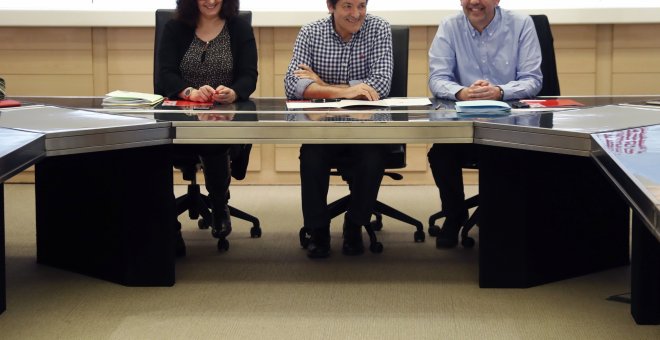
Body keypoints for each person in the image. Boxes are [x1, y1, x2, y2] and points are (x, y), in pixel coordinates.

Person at [427, 0, 542, 248]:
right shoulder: (449, 26)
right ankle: (455, 214)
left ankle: (502, 217)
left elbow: (532, 80)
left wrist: (499, 91)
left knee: (507, 155)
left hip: (510, 124)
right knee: (440, 155)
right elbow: (437, 78)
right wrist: (462, 92)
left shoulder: (521, 24)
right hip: (463, 123)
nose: (474, 2)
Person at [284, 0, 393, 258]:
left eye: (361, 6)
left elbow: (379, 86)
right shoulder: (311, 32)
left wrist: (320, 85)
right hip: (323, 129)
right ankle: (318, 230)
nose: (356, 14)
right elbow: (292, 86)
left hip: (367, 130)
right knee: (311, 157)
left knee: (373, 157)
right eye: (347, 6)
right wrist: (349, 90)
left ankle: (354, 225)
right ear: (331, 6)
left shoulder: (379, 29)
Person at [155, 0, 258, 256]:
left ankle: (220, 205)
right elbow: (164, 75)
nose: (211, 1)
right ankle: (168, 226)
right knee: (152, 150)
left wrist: (233, 92)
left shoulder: (239, 29)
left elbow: (249, 75)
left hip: (223, 119)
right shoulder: (174, 28)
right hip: (181, 117)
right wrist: (188, 92)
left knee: (213, 141)